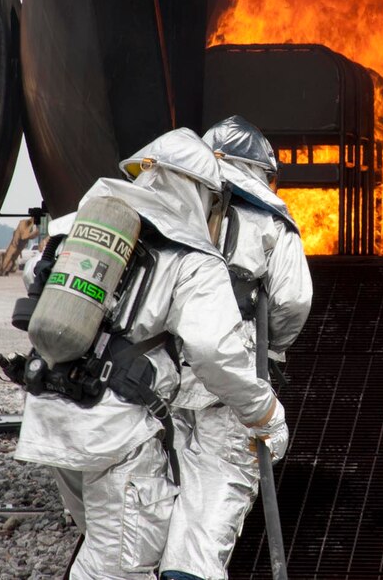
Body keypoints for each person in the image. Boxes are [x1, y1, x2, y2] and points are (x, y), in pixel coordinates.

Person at [11, 128, 288, 580]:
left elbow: (33, 276)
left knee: (104, 534)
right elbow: (213, 352)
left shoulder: (78, 230)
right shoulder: (193, 260)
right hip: (115, 425)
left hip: (54, 409)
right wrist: (264, 412)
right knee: (120, 560)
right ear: (200, 193)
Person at [159, 116, 312, 580]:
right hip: (231, 371)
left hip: (161, 372)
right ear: (261, 172)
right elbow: (292, 299)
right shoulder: (269, 221)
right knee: (217, 494)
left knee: (160, 495)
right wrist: (272, 350)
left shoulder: (172, 206)